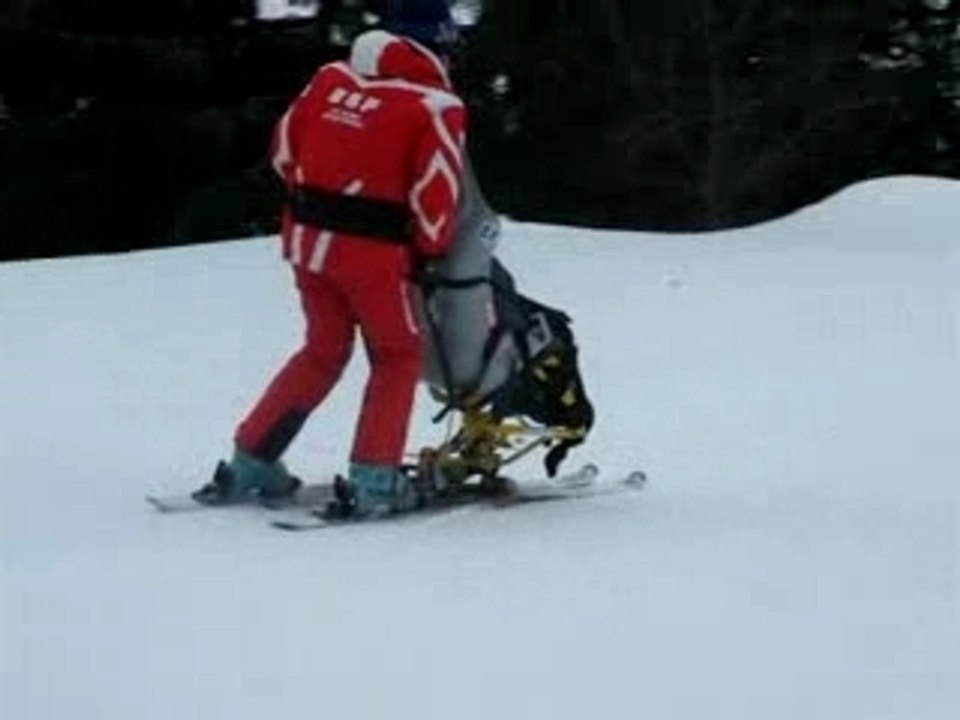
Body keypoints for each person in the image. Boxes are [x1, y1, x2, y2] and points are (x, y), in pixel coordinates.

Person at [194, 28, 467, 516]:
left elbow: (283, 152)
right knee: (397, 355)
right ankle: (375, 481)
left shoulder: (329, 78)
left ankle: (251, 459)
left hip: (307, 241)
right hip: (372, 254)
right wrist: (430, 249)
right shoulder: (435, 107)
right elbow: (437, 192)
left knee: (322, 350)